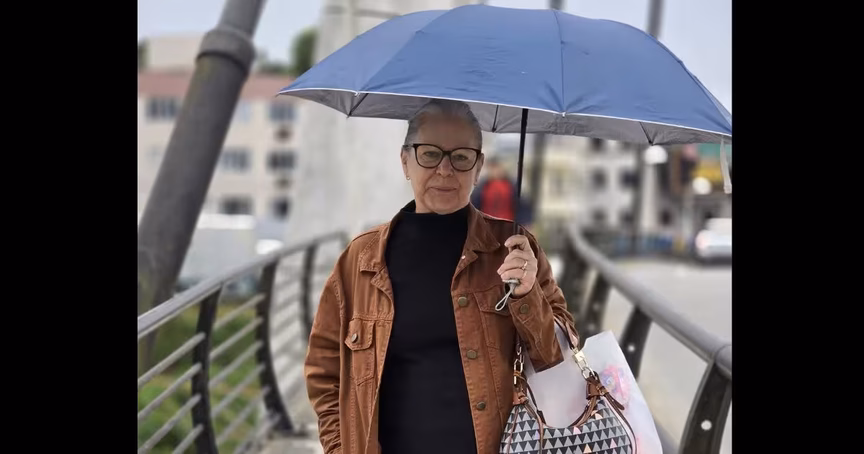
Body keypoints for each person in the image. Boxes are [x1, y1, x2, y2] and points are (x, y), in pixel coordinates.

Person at [304, 99, 575, 454]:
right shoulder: (361, 260)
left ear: (478, 167)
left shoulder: (514, 250)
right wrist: (340, 447)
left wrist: (527, 297)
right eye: (430, 154)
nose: (445, 170)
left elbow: (558, 360)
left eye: (461, 157)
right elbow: (324, 369)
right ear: (405, 161)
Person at [471, 156, 535, 229]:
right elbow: (474, 205)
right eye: (492, 168)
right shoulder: (483, 187)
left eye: (497, 167)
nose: (495, 171)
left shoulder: (511, 186)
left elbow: (522, 205)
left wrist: (526, 223)